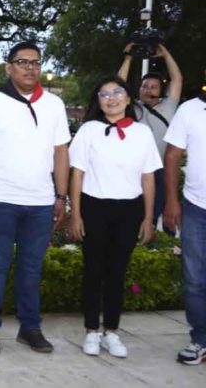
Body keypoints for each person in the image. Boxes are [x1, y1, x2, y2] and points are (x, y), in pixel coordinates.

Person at [0, 41, 70, 355]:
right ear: (8, 67)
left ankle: (30, 328)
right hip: (1, 199)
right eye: (22, 62)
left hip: (40, 202)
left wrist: (61, 196)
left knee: (31, 268)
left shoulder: (53, 105)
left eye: (35, 62)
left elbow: (61, 151)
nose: (30, 68)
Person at [68, 76, 159, 358]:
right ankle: (91, 331)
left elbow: (148, 178)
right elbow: (77, 174)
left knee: (117, 272)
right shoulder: (88, 130)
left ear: (128, 98)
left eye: (117, 92)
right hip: (95, 207)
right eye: (104, 94)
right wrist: (76, 214)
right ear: (98, 101)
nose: (111, 98)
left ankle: (112, 332)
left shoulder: (143, 133)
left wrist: (147, 218)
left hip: (129, 210)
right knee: (94, 271)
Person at [117, 43, 182, 234]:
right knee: (130, 216)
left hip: (159, 171)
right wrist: (128, 59)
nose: (148, 90)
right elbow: (118, 86)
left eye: (153, 87)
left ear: (161, 91)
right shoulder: (132, 108)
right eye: (145, 86)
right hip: (132, 172)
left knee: (152, 216)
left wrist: (165, 53)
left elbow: (177, 79)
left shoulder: (169, 107)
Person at [163, 91, 206, 365]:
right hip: (196, 207)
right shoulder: (189, 110)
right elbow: (172, 156)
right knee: (195, 281)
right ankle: (200, 340)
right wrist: (171, 201)